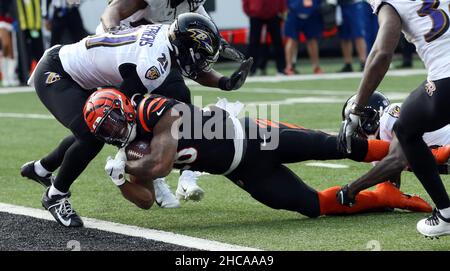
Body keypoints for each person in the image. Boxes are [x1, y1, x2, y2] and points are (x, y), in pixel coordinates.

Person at [20, 13, 253, 227]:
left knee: (91, 128)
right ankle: (55, 196)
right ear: (183, 48)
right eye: (200, 57)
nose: (202, 63)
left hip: (77, 71)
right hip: (57, 73)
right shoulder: (152, 63)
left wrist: (224, 83)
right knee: (95, 132)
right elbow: (122, 108)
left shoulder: (167, 38)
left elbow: (193, 67)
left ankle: (41, 169)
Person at [84, 88, 432, 217]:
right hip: (244, 171)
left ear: (124, 108)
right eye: (107, 132)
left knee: (340, 146)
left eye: (113, 122)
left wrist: (133, 167)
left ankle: (425, 152)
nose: (115, 132)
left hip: (255, 136)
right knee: (315, 206)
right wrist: (120, 182)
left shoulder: (150, 107)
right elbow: (145, 199)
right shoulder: (129, 149)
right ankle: (386, 195)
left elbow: (158, 165)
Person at [97, 0, 248, 201]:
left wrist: (226, 80)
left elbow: (204, 47)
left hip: (155, 54)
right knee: (124, 118)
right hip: (123, 54)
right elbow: (112, 11)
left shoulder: (193, 6)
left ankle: (187, 174)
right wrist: (114, 36)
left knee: (181, 101)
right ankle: (152, 177)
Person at [339, 0, 450, 237]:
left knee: (406, 128)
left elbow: (382, 53)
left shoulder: (389, 118)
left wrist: (352, 189)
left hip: (445, 74)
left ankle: (446, 213)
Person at [337, 92, 450, 207]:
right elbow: (390, 184)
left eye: (356, 128)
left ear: (369, 120)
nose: (356, 135)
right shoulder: (382, 144)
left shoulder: (390, 114)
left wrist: (352, 189)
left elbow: (397, 161)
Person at [242, 0, 286, 76]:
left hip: (273, 13)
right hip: (256, 14)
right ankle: (250, 70)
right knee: (253, 43)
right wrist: (249, 10)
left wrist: (281, 9)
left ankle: (281, 68)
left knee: (277, 42)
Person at [284, 0, 323, 75]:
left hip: (312, 13)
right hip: (294, 11)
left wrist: (316, 5)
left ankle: (316, 66)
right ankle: (289, 67)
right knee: (292, 40)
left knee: (312, 40)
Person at [337, 0, 367, 72]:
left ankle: (363, 62)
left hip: (354, 4)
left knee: (358, 35)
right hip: (341, 5)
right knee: (344, 36)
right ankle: (348, 64)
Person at [0, 0, 19, 87]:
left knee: (12, 52)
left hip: (11, 22)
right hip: (1, 22)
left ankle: (11, 76)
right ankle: (5, 77)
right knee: (5, 46)